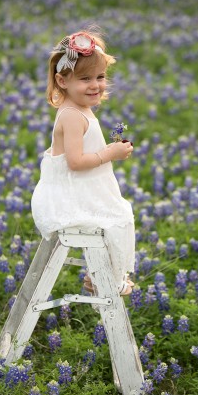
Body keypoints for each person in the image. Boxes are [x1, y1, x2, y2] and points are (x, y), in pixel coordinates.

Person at [31, 31, 136, 296]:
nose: (95, 85)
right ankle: (106, 279)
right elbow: (76, 162)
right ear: (62, 80)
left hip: (81, 188)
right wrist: (109, 153)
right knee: (118, 218)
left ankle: (100, 276)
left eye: (100, 77)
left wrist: (112, 148)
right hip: (69, 196)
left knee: (118, 215)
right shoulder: (71, 116)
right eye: (85, 78)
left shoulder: (80, 109)